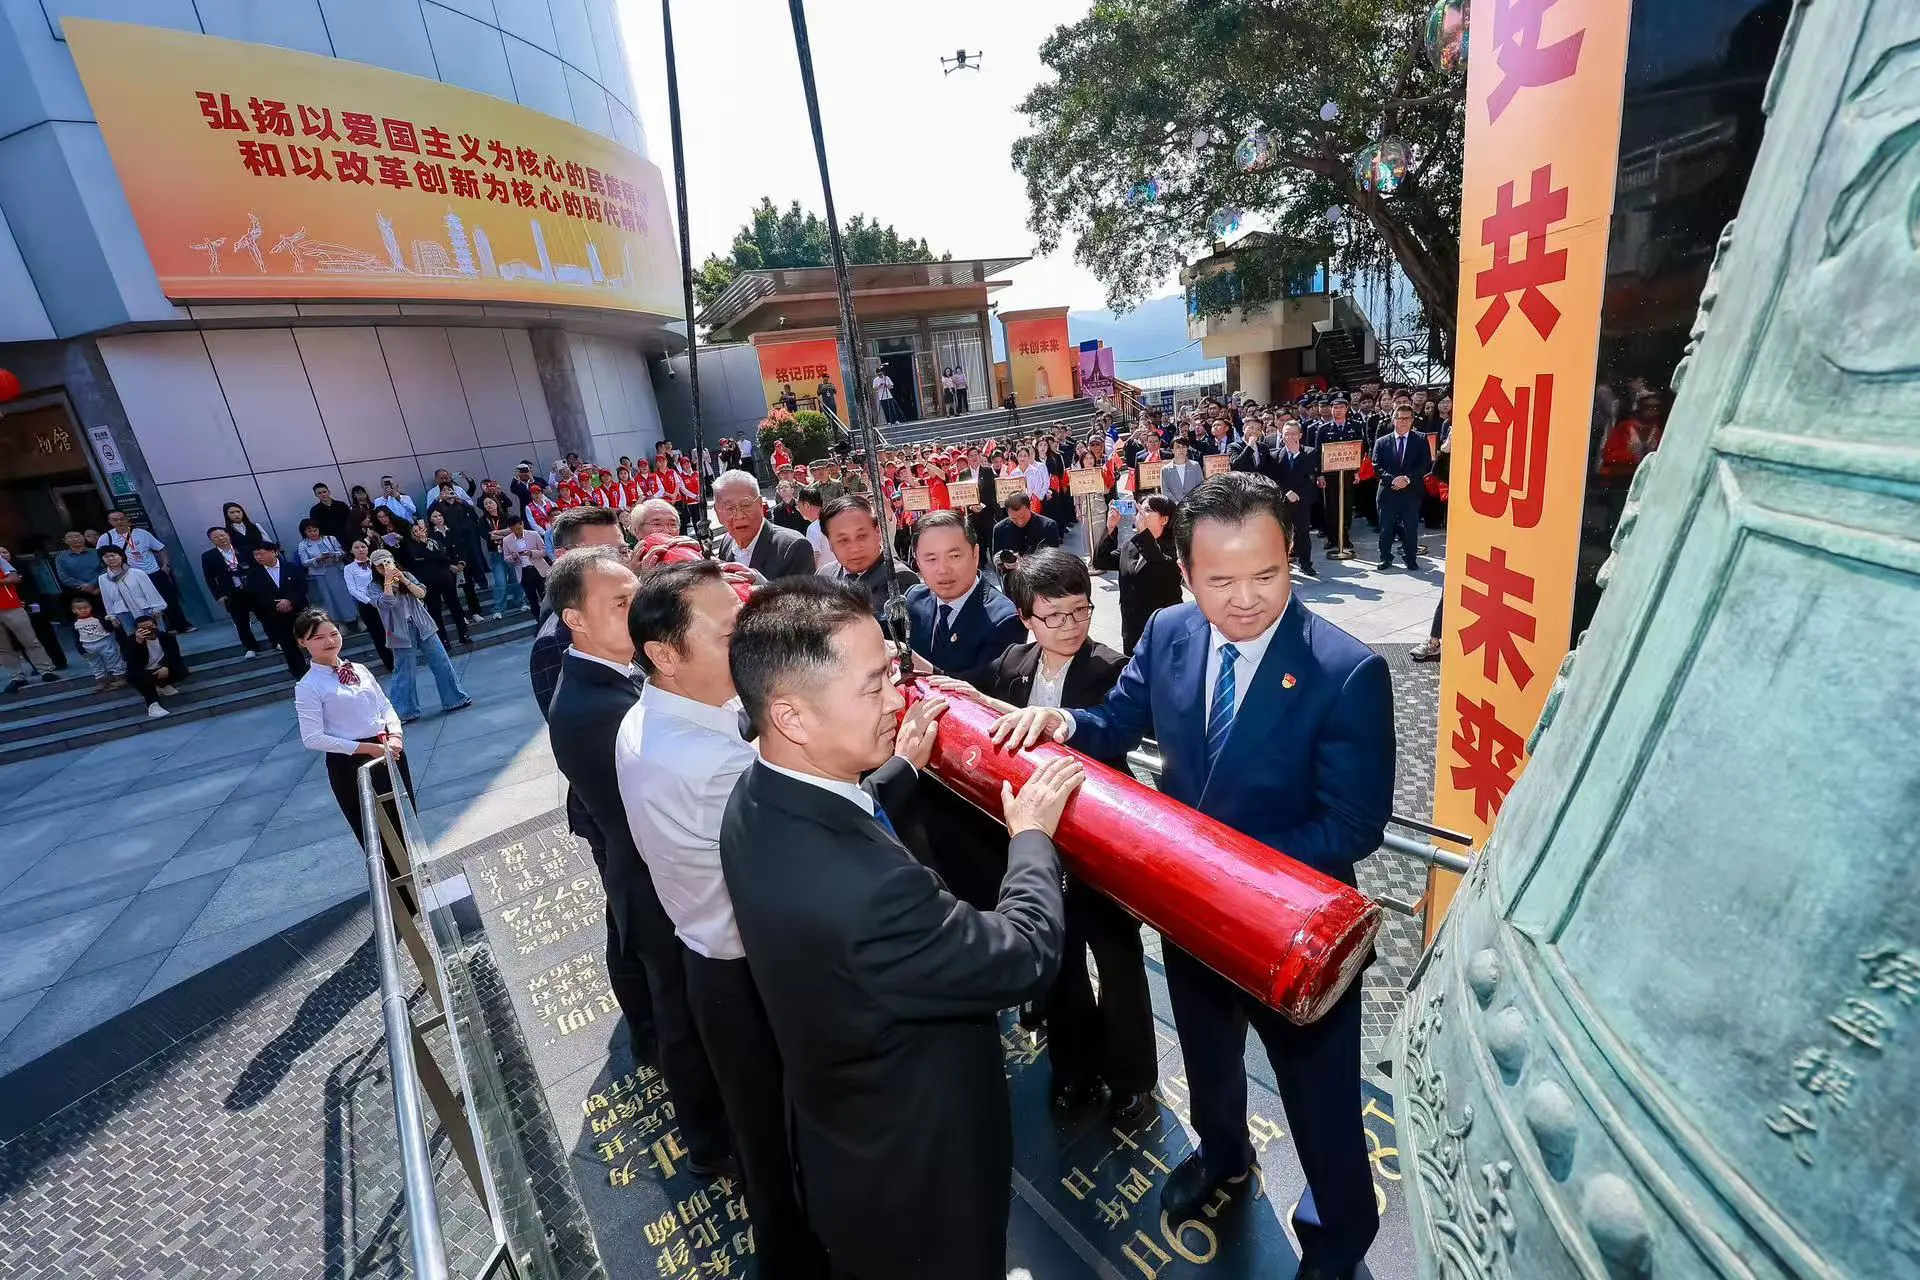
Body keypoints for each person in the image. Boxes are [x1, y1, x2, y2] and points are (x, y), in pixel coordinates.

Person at [990, 474, 1392, 1280]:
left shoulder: (1345, 670)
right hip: (1190, 921)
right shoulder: (1171, 632)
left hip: (1291, 932)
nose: (1245, 599)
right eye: (1220, 579)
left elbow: (1353, 826)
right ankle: (1223, 1155)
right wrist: (1062, 721)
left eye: (1267, 575)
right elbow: (1117, 721)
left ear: (1291, 556)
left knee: (1322, 1115)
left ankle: (1337, 1243)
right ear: (1182, 567)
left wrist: (1215, 860)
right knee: (1208, 1060)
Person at [720, 577, 1080, 1280]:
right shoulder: (867, 894)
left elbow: (839, 813)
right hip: (922, 1178)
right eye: (874, 686)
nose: (897, 699)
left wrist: (895, 774)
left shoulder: (757, 794)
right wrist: (1033, 839)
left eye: (892, 673)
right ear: (791, 715)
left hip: (844, 1134)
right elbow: (1022, 955)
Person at [616, 560, 828, 1276]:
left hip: (711, 958)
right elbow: (811, 841)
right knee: (785, 1149)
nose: (747, 640)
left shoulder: (653, 718)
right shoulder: (707, 759)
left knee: (765, 1142)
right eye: (729, 631)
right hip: (753, 977)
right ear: (665, 655)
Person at [938, 549, 1156, 1120]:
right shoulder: (1013, 661)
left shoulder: (1113, 666)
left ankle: (1131, 1074)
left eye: (1080, 611)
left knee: (1118, 957)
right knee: (1057, 960)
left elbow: (1117, 737)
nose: (1069, 626)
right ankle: (1075, 1068)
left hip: (1100, 834)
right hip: (1035, 835)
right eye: (1053, 616)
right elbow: (983, 703)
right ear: (1026, 618)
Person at [543, 547, 735, 1179]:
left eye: (635, 595)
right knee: (683, 1018)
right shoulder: (593, 705)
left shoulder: (616, 674)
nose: (636, 611)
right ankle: (710, 1144)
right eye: (618, 604)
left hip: (660, 873)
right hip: (657, 884)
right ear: (575, 620)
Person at [291, 607, 420, 911]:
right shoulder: (308, 686)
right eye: (318, 637)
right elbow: (313, 738)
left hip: (389, 749)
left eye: (333, 633)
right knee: (376, 829)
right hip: (352, 762)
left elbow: (385, 706)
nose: (328, 641)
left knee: (404, 817)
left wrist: (396, 734)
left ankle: (419, 884)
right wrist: (367, 749)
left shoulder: (359, 669)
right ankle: (400, 902)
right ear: (302, 643)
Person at [906, 511, 1025, 685]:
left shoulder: (1004, 619)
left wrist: (926, 670)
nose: (943, 569)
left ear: (975, 554)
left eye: (954, 556)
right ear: (917, 561)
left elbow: (987, 689)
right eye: (931, 559)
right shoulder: (914, 599)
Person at [366, 551, 470, 720]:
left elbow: (421, 593)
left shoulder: (406, 575)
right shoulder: (373, 586)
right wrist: (387, 581)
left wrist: (403, 579)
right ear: (374, 567)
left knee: (441, 661)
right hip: (399, 629)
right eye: (379, 565)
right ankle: (404, 711)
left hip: (422, 623)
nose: (384, 567)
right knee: (404, 670)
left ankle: (455, 699)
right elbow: (387, 603)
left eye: (387, 562)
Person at [1091, 492, 1184, 655]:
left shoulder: (1176, 548)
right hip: (1132, 629)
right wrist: (1111, 527)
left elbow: (1164, 568)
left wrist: (1144, 535)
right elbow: (1101, 561)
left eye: (1147, 509)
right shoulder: (1132, 545)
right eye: (1140, 508)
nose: (1140, 512)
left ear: (1164, 519)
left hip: (1162, 629)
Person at [823, 494, 919, 621]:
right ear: (830, 544)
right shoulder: (825, 574)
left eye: (862, 536)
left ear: (878, 532)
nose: (855, 548)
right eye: (843, 540)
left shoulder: (898, 578)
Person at [99, 510, 192, 632]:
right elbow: (102, 556)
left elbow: (160, 548)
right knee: (143, 604)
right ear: (109, 522)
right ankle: (158, 629)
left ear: (127, 519)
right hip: (130, 576)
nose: (119, 522)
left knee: (168, 599)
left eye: (122, 518)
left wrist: (166, 566)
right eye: (115, 520)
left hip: (153, 572)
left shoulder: (142, 533)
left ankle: (181, 625)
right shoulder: (106, 538)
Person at [710, 471, 813, 579]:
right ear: (717, 513)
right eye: (730, 508)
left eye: (746, 505)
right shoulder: (727, 541)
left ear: (760, 505)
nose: (739, 516)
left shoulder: (794, 547)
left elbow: (802, 595)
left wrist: (759, 584)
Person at [1373, 402, 1432, 571]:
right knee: (1386, 527)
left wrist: (1406, 478)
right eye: (1400, 418)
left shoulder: (1420, 439)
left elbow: (1425, 464)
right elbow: (1376, 465)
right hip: (1388, 491)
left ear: (1412, 420)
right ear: (1393, 419)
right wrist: (1393, 480)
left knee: (1410, 527)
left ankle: (1411, 558)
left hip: (1411, 491)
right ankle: (1385, 557)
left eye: (1407, 418)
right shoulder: (1382, 441)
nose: (1404, 422)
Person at [246, 541, 311, 677]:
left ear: (274, 552)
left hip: (299, 611)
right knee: (288, 646)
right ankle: (299, 674)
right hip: (275, 616)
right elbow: (255, 595)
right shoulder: (254, 575)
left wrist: (289, 600)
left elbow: (302, 586)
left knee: (311, 639)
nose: (258, 557)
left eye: (261, 553)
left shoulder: (291, 567)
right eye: (255, 555)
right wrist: (277, 604)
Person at [404, 519, 471, 646]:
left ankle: (464, 634)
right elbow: (417, 558)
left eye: (420, 529)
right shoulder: (411, 546)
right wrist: (426, 549)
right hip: (428, 581)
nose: (419, 533)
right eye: (415, 531)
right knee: (435, 611)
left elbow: (443, 556)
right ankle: (443, 640)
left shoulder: (434, 541)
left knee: (455, 606)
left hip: (445, 578)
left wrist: (429, 553)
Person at [0, 548, 59, 690]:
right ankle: (17, 676)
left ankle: (45, 670)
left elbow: (15, 578)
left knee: (29, 639)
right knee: (3, 647)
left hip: (11, 605)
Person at [201, 526, 264, 657]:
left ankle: (276, 641)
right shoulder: (208, 556)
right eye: (216, 537)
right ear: (211, 540)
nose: (221, 538)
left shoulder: (243, 549)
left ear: (228, 535)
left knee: (265, 616)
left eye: (223, 535)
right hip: (231, 592)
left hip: (252, 589)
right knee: (241, 622)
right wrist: (218, 595)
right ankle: (250, 647)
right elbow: (209, 578)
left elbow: (257, 568)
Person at [1272, 420, 1322, 576]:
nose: (1290, 437)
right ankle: (1282, 563)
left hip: (1302, 500)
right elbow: (1273, 478)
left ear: (1300, 435)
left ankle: (1306, 563)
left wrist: (1296, 453)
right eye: (1286, 434)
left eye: (1293, 434)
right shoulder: (1275, 455)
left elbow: (1309, 472)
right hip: (1283, 500)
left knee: (1303, 533)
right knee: (1282, 534)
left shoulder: (1309, 452)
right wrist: (1286, 492)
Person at [119, 614, 189, 717]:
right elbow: (129, 660)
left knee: (179, 668)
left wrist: (165, 666)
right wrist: (138, 643)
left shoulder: (167, 637)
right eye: (143, 628)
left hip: (161, 668)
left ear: (156, 625)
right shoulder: (129, 641)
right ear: (137, 630)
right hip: (144, 671)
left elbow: (174, 655)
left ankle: (162, 685)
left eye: (150, 626)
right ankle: (152, 705)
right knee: (136, 675)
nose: (148, 630)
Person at [342, 539, 394, 672]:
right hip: (367, 605)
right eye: (357, 547)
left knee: (391, 630)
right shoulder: (349, 568)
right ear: (351, 550)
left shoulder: (377, 564)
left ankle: (401, 659)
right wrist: (369, 601)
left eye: (363, 546)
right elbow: (352, 589)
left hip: (385, 599)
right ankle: (390, 664)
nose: (360, 549)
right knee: (378, 635)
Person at [97, 545, 169, 635]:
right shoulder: (103, 578)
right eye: (106, 556)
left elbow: (150, 592)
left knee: (155, 634)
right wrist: (112, 617)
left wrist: (157, 608)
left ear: (121, 556)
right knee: (134, 638)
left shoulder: (137, 573)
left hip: (146, 609)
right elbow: (107, 598)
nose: (111, 558)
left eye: (113, 555)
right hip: (123, 613)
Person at [296, 519, 357, 624]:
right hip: (320, 575)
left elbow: (342, 552)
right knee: (329, 599)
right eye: (309, 531)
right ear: (304, 532)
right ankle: (337, 622)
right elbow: (304, 562)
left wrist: (335, 554)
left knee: (345, 596)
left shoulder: (330, 539)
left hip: (337, 571)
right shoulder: (303, 545)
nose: (313, 533)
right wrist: (317, 559)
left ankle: (353, 618)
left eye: (315, 530)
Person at [990, 492, 1062, 569]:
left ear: (1030, 506)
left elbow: (1053, 561)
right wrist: (1003, 564)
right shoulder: (1000, 529)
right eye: (1014, 518)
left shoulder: (1047, 526)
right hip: (1011, 577)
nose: (1020, 522)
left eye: (1023, 516)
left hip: (1040, 576)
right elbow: (996, 562)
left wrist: (1025, 564)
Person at [70, 597, 126, 690]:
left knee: (113, 659)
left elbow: (109, 629)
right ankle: (102, 681)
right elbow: (76, 638)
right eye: (79, 609)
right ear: (74, 610)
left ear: (90, 607)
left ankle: (120, 677)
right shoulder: (75, 624)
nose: (83, 610)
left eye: (86, 607)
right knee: (95, 664)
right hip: (88, 646)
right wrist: (81, 650)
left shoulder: (98, 618)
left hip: (104, 641)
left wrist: (112, 623)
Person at [54, 531, 105, 631]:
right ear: (65, 541)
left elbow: (104, 570)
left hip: (100, 590)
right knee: (83, 626)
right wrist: (84, 586)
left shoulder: (96, 552)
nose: (76, 539)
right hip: (78, 595)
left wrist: (91, 584)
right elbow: (64, 577)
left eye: (78, 536)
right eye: (71, 537)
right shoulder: (61, 558)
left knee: (105, 620)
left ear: (83, 537)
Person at [499, 514, 549, 615]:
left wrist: (532, 553)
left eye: (519, 528)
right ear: (510, 529)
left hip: (538, 569)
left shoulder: (533, 534)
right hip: (523, 572)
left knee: (546, 598)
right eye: (514, 529)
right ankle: (539, 622)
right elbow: (506, 558)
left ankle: (550, 620)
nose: (517, 531)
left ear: (522, 524)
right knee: (532, 600)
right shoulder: (507, 540)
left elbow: (544, 550)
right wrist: (513, 557)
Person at [1159, 437, 1205, 506]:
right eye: (1178, 447)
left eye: (1184, 447)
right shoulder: (1165, 469)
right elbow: (1165, 491)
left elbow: (1200, 486)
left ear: (1187, 449)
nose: (1181, 450)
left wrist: (1193, 501)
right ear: (1172, 450)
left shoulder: (1195, 466)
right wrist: (1177, 503)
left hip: (1193, 505)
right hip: (1174, 507)